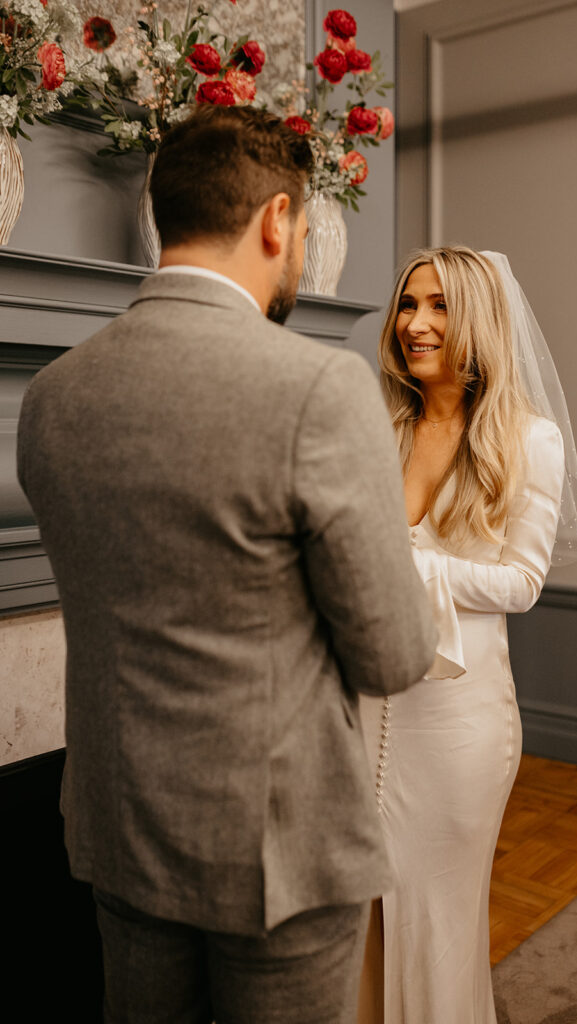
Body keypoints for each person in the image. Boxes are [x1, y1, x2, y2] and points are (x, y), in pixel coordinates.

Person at [16, 105, 438, 1024]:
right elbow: (395, 654)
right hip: (275, 854)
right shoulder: (317, 387)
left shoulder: (50, 397)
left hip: (118, 830)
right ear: (277, 219)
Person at [357, 245, 577, 1023]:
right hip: (360, 705)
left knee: (436, 918)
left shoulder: (528, 441)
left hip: (455, 724)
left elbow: (520, 585)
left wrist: (400, 563)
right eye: (407, 303)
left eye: (439, 305)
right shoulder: (378, 429)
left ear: (479, 320)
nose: (415, 323)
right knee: (354, 910)